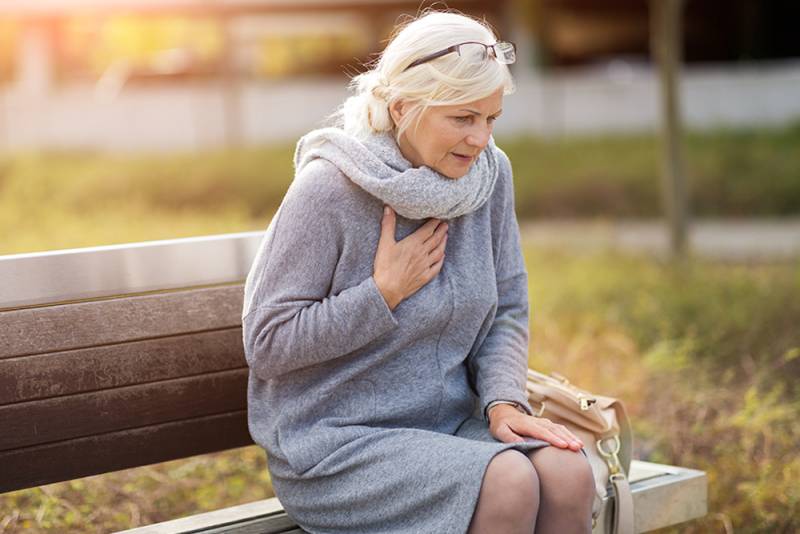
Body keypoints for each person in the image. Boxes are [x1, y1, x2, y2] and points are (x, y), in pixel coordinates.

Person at [241, 9, 596, 534]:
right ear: (404, 106)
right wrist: (381, 293)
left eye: (490, 118)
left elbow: (508, 305)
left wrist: (502, 401)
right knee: (509, 482)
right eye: (462, 118)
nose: (480, 139)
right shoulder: (329, 189)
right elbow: (267, 342)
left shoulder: (489, 178)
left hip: (448, 428)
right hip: (338, 443)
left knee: (569, 472)